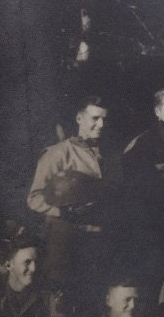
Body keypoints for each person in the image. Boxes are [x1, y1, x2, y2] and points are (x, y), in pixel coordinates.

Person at [27, 96, 118, 302]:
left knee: (97, 299)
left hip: (100, 238)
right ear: (79, 118)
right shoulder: (60, 153)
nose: (101, 124)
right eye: (95, 118)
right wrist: (62, 212)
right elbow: (34, 197)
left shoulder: (111, 154)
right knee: (61, 302)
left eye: (105, 119)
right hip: (66, 240)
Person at [121, 88, 164, 314]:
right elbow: (131, 194)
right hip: (147, 228)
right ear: (157, 111)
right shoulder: (141, 146)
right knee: (148, 284)